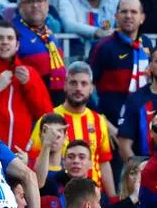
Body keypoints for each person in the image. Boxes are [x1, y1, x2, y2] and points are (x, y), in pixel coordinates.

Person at [28, 62, 115, 198]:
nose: (78, 88)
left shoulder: (98, 120)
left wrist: (112, 198)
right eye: (73, 83)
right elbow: (32, 160)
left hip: (92, 198)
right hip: (59, 197)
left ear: (91, 88)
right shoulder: (49, 119)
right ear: (65, 85)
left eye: (84, 84)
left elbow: (104, 163)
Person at [0, 20, 53, 152]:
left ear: (17, 45)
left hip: (21, 156)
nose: (5, 42)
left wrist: (29, 85)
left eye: (10, 38)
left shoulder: (30, 74)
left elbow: (45, 116)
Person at [88, 0, 151, 133]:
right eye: (124, 12)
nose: (128, 16)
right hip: (112, 127)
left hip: (142, 123)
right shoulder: (103, 46)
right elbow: (86, 90)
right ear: (116, 16)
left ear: (142, 18)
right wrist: (103, 122)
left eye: (134, 12)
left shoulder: (147, 44)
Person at [14, 0, 67, 103]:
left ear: (47, 5)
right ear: (20, 6)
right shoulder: (13, 32)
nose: (35, 5)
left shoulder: (49, 30)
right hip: (30, 101)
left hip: (57, 100)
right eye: (29, 1)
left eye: (40, 0)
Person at [35, 135, 92, 201]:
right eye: (71, 157)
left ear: (90, 164)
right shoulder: (50, 185)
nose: (76, 161)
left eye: (82, 157)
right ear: (64, 162)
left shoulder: (95, 190)